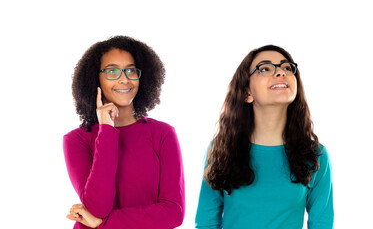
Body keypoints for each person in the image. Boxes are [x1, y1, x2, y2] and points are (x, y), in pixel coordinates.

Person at [195, 45, 334, 228]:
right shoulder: (221, 149)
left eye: (286, 67)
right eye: (265, 68)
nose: (280, 73)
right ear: (247, 93)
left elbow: (321, 224)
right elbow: (206, 222)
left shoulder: (315, 155)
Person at [63, 36, 185, 229]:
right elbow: (97, 208)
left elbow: (173, 213)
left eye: (130, 70)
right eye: (112, 71)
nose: (124, 78)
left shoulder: (163, 133)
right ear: (96, 79)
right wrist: (106, 131)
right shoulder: (77, 140)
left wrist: (103, 224)